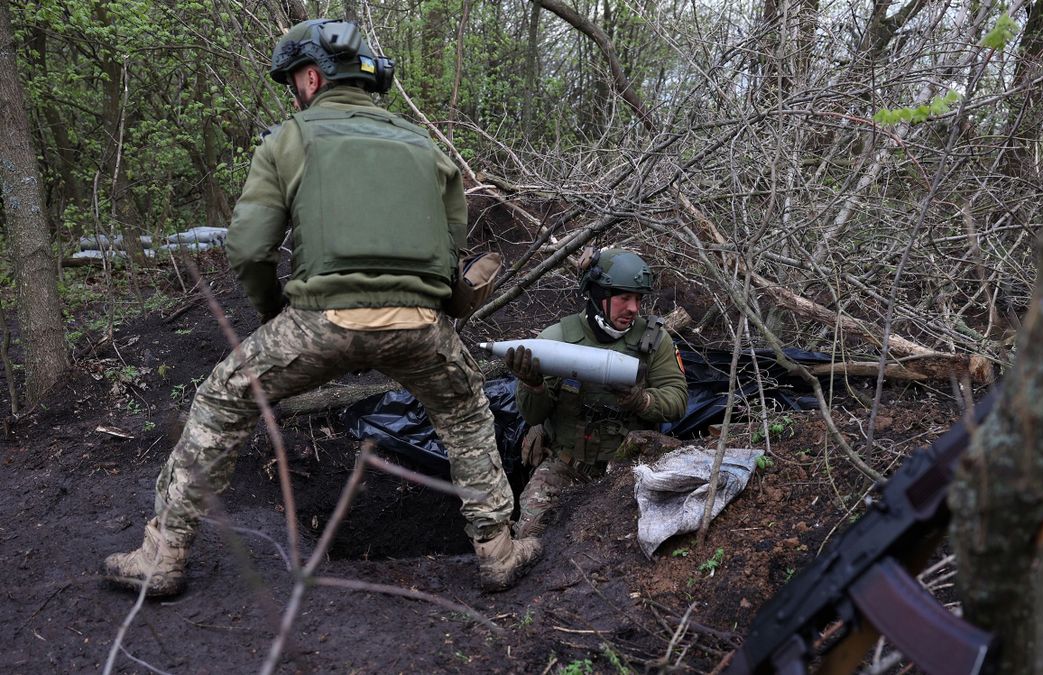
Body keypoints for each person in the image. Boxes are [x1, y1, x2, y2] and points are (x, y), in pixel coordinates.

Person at [103, 18, 540, 597]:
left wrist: (272, 312)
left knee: (222, 400)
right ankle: (497, 551)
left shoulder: (289, 140)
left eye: (293, 81)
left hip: (321, 322)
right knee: (465, 417)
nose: (294, 91)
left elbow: (250, 248)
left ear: (312, 77)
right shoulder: (427, 149)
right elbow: (450, 258)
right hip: (421, 326)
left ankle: (164, 555)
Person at [505, 248, 688, 538]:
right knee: (531, 534)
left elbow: (678, 400)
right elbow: (533, 414)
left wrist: (642, 400)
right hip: (566, 468)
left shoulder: (654, 341)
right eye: (624, 297)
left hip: (630, 470)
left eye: (638, 299)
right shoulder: (558, 339)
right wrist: (533, 385)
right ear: (598, 294)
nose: (633, 308)